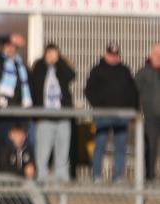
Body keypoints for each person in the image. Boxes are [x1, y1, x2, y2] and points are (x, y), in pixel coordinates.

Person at [85, 42, 139, 183]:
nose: (113, 57)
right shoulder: (97, 70)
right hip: (103, 114)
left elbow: (133, 92)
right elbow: (89, 90)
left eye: (116, 55)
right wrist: (99, 105)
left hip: (122, 115)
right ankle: (97, 175)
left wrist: (134, 111)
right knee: (100, 145)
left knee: (121, 147)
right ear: (106, 54)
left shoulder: (125, 71)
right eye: (111, 54)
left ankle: (119, 176)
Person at [30, 42, 76, 181]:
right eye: (49, 53)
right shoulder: (39, 66)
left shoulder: (61, 66)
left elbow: (71, 75)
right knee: (43, 152)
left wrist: (59, 61)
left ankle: (61, 180)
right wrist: (46, 62)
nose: (51, 56)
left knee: (62, 152)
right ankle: (42, 179)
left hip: (62, 117)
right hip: (45, 117)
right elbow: (34, 78)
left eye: (54, 53)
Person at [0, 33, 32, 147]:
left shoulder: (22, 66)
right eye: (7, 45)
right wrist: (9, 37)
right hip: (3, 113)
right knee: (3, 147)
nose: (10, 48)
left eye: (13, 46)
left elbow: (29, 87)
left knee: (21, 147)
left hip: (20, 114)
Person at [134, 42, 160, 182]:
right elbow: (133, 92)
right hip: (151, 116)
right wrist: (137, 112)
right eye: (156, 54)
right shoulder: (144, 72)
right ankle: (150, 175)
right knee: (150, 145)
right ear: (151, 55)